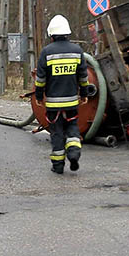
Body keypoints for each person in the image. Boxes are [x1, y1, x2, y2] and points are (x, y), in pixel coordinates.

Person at [35, 15, 89, 174]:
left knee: (57, 133)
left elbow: (40, 80)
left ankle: (58, 166)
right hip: (71, 102)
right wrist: (84, 94)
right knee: (72, 128)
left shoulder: (47, 52)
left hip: (53, 104)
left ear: (51, 34)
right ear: (67, 32)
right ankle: (73, 153)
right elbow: (83, 77)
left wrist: (39, 97)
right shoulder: (77, 51)